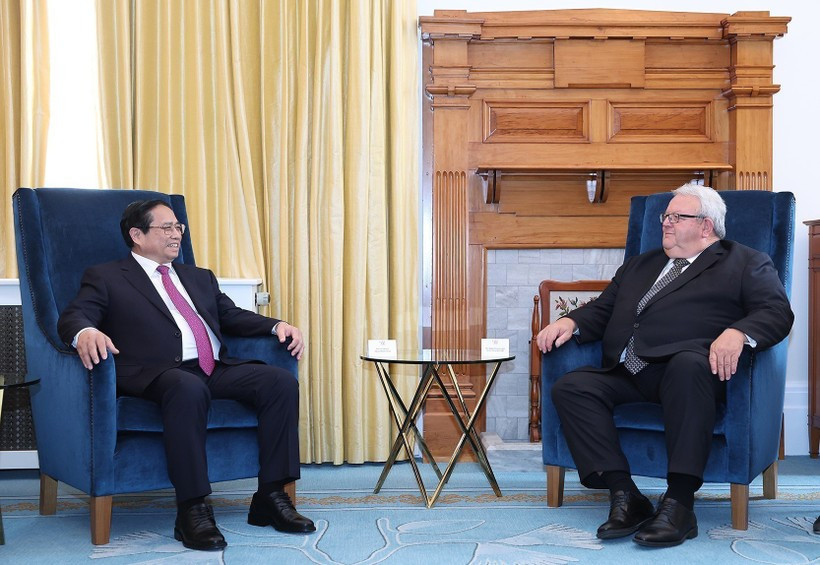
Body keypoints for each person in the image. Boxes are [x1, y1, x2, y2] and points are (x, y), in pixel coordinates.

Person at [536, 184, 793, 548]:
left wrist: (738, 332)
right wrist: (571, 322)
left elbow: (777, 312)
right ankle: (626, 495)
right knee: (572, 386)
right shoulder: (642, 264)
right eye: (665, 217)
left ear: (706, 226)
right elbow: (605, 309)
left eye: (676, 217)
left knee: (688, 365)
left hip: (691, 375)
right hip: (630, 370)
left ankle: (680, 504)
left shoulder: (744, 261)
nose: (666, 224)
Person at [57, 199, 315, 551]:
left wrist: (277, 326)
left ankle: (270, 496)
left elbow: (231, 316)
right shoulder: (107, 276)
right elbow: (74, 316)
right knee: (186, 386)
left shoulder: (198, 276)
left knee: (279, 382)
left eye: (178, 227)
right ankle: (191, 508)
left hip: (212, 367)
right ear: (137, 234)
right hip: (157, 373)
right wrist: (84, 333)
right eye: (166, 227)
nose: (176, 234)